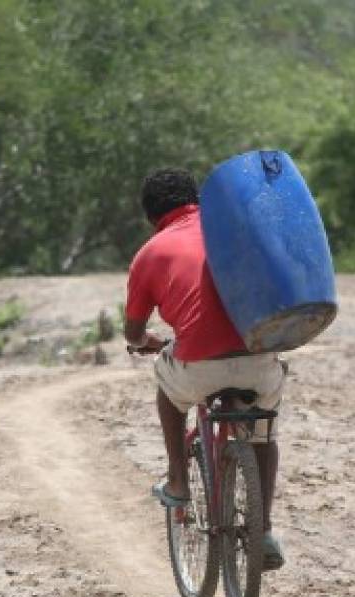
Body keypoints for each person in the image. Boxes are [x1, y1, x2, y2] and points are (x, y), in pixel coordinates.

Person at [124, 167, 286, 570]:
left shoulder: (152, 252)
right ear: (198, 199)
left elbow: (134, 330)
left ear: (150, 214)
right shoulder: (236, 233)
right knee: (264, 433)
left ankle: (178, 481)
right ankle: (262, 529)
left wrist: (146, 344)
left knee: (167, 389)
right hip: (257, 358)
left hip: (198, 367)